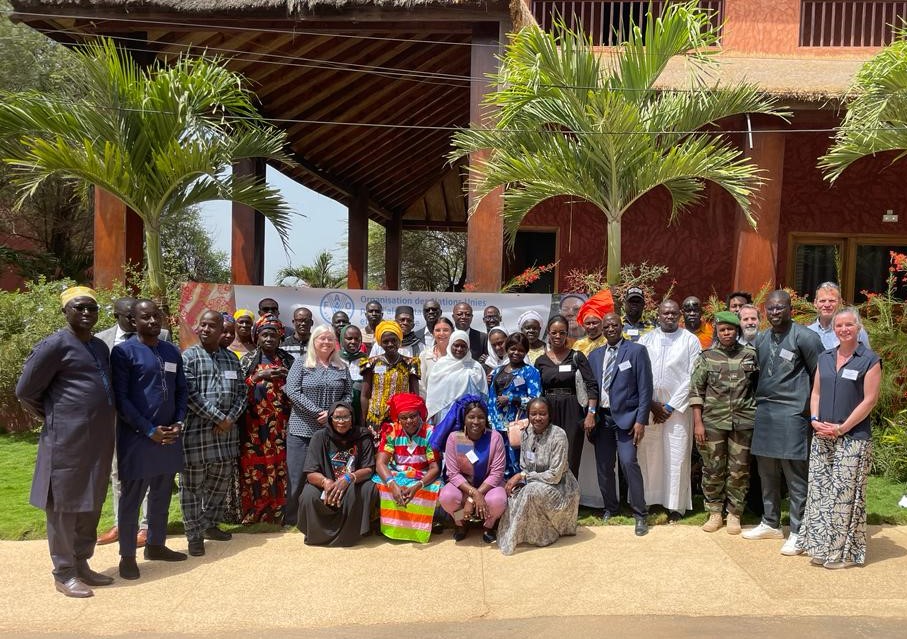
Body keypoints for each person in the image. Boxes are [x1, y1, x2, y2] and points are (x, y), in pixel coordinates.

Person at [16, 286, 116, 598]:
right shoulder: (54, 345)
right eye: (80, 307)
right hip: (66, 442)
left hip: (99, 440)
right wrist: (56, 416)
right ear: (66, 311)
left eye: (92, 308)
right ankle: (63, 571)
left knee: (91, 501)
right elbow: (25, 391)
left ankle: (81, 562)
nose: (87, 313)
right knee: (63, 505)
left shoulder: (99, 346)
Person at [110, 299, 188, 579]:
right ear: (133, 321)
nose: (153, 321)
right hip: (138, 438)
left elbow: (181, 390)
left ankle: (156, 544)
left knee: (162, 493)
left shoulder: (171, 351)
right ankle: (127, 555)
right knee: (132, 499)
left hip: (169, 436)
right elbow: (121, 399)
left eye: (157, 316)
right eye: (146, 317)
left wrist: (178, 422)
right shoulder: (123, 353)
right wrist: (149, 429)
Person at [798, 308, 881, 568]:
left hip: (852, 437)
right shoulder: (825, 357)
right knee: (821, 494)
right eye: (839, 325)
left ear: (858, 327)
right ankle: (821, 546)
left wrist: (842, 428)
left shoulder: (869, 359)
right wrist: (814, 420)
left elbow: (869, 401)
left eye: (849, 325)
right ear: (833, 329)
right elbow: (817, 394)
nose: (844, 329)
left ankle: (842, 553)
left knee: (844, 496)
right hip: (823, 435)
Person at [743, 290, 823, 556]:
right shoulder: (761, 339)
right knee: (767, 472)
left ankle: (799, 531)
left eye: (781, 308)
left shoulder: (806, 338)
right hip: (765, 411)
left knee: (795, 476)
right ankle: (770, 521)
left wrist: (813, 413)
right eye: (771, 309)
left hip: (793, 413)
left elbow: (820, 377)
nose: (775, 313)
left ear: (790, 309)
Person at [180, 311, 247, 557]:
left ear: (222, 331)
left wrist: (230, 419)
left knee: (218, 486)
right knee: (192, 488)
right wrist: (219, 418)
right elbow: (189, 394)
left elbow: (242, 393)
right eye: (203, 324)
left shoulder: (232, 359)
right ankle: (194, 535)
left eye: (212, 326)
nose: (206, 329)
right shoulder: (188, 357)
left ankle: (210, 524)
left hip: (225, 438)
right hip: (197, 436)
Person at [689, 311, 758, 535]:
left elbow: (758, 388)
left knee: (739, 470)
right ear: (717, 332)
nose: (726, 333)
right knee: (713, 468)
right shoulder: (707, 357)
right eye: (722, 330)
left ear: (737, 330)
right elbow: (696, 391)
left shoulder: (750, 355)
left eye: (730, 329)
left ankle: (735, 513)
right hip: (713, 422)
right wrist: (698, 423)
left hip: (743, 421)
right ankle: (715, 512)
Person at [587, 312, 652, 536]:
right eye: (607, 326)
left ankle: (640, 514)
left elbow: (645, 389)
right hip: (602, 419)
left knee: (628, 462)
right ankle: (611, 508)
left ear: (621, 326)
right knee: (604, 466)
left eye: (614, 325)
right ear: (602, 330)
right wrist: (590, 414)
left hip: (627, 419)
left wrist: (641, 421)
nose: (611, 329)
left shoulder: (636, 351)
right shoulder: (595, 355)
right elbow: (591, 389)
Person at [638, 299, 702, 520]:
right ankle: (649, 500)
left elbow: (692, 376)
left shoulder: (690, 340)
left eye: (674, 313)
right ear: (658, 314)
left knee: (677, 455)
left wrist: (670, 406)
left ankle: (675, 505)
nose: (669, 316)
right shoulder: (647, 339)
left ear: (680, 315)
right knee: (650, 455)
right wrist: (653, 405)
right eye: (665, 313)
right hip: (650, 407)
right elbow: (641, 374)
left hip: (678, 410)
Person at [284, 324, 352, 527]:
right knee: (296, 475)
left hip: (329, 431)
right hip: (301, 429)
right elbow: (293, 391)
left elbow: (348, 395)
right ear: (314, 341)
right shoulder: (301, 363)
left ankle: (322, 513)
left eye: (330, 339)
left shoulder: (341, 366)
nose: (326, 342)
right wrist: (317, 412)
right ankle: (292, 517)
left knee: (327, 474)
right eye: (322, 338)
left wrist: (332, 414)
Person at [96, 296, 147, 548]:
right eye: (129, 315)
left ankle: (146, 527)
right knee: (117, 471)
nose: (135, 319)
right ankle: (121, 522)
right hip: (115, 416)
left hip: (148, 415)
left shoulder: (160, 336)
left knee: (149, 469)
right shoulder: (101, 340)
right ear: (117, 316)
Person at [498, 397, 579, 555]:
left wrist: (525, 477)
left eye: (542, 414)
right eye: (533, 414)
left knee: (530, 491)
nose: (538, 418)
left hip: (560, 488)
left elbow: (555, 475)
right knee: (513, 492)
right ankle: (537, 534)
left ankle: (512, 539)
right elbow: (523, 464)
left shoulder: (558, 435)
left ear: (550, 415)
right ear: (528, 415)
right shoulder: (526, 433)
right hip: (534, 482)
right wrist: (522, 478)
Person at [238, 314, 295, 524]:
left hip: (281, 423)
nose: (269, 339)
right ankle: (256, 508)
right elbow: (237, 390)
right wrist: (258, 377)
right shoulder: (247, 360)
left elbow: (297, 389)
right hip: (254, 424)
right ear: (257, 337)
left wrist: (287, 375)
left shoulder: (288, 360)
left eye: (273, 335)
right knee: (255, 467)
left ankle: (279, 509)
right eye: (265, 335)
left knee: (281, 465)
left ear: (280, 338)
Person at [298, 402, 377, 546]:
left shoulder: (362, 436)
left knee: (368, 488)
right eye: (337, 418)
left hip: (353, 482)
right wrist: (325, 482)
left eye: (346, 417)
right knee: (308, 495)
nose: (342, 422)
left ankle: (353, 533)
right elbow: (310, 472)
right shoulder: (320, 437)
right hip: (327, 483)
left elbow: (369, 469)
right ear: (330, 419)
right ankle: (317, 535)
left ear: (352, 418)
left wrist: (349, 477)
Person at [372, 393, 441, 543]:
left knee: (434, 487)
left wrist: (418, 485)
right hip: (397, 474)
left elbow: (435, 468)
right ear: (398, 418)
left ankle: (427, 524)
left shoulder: (430, 432)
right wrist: (393, 485)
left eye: (413, 416)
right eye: (404, 418)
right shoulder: (391, 430)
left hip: (422, 475)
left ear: (420, 414)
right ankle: (389, 525)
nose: (409, 421)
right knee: (379, 485)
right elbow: (381, 463)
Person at [535, 315, 598, 479]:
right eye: (554, 333)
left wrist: (591, 413)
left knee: (571, 458)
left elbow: (591, 386)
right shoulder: (540, 361)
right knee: (549, 457)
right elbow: (536, 390)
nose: (558, 336)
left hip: (572, 411)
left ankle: (570, 500)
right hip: (548, 413)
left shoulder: (577, 357)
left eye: (562, 333)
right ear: (548, 333)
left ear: (567, 334)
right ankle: (551, 498)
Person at [438, 398, 507, 543]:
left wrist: (476, 495)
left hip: (488, 487)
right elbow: (453, 473)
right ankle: (461, 523)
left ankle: (488, 525)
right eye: (471, 417)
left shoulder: (495, 438)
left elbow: (497, 473)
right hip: (464, 487)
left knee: (498, 500)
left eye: (481, 417)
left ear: (486, 418)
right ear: (464, 418)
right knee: (447, 497)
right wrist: (473, 494)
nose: (476, 421)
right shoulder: (455, 438)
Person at [487, 332, 542, 478]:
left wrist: (512, 399)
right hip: (496, 427)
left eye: (521, 350)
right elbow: (491, 398)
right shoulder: (497, 371)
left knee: (517, 462)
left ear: (526, 352)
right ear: (506, 348)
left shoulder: (530, 372)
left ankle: (519, 492)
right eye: (512, 349)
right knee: (498, 463)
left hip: (517, 427)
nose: (516, 353)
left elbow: (535, 400)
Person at [360, 320, 420, 439]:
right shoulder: (370, 363)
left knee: (399, 452)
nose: (390, 344)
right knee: (377, 454)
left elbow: (414, 395)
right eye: (385, 341)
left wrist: (414, 419)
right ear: (380, 343)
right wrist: (363, 421)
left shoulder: (410, 363)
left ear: (399, 341)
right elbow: (365, 395)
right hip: (375, 418)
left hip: (401, 418)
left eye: (394, 340)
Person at [425, 329, 488, 423]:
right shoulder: (440, 366)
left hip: (470, 417)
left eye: (463, 346)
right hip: (445, 417)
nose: (459, 349)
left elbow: (483, 395)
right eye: (456, 345)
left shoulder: (476, 367)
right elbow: (433, 396)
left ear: (468, 347)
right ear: (450, 345)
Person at [808, 282, 870, 349]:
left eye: (832, 301)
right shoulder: (807, 332)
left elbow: (868, 358)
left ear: (840, 303)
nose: (827, 305)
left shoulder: (856, 331)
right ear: (815, 303)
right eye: (822, 301)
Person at [338, 325, 368, 426]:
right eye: (349, 338)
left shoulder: (366, 361)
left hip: (360, 411)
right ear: (342, 339)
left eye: (357, 339)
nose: (353, 342)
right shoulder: (334, 359)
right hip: (338, 410)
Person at [419, 316, 453, 397]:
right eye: (437, 330)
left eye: (446, 330)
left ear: (452, 332)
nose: (441, 333)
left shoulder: (457, 356)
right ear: (433, 333)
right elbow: (421, 386)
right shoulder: (425, 356)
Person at [573, 289, 614, 355]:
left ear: (602, 323)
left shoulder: (610, 343)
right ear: (583, 325)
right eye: (588, 323)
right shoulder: (578, 345)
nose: (591, 327)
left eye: (595, 323)